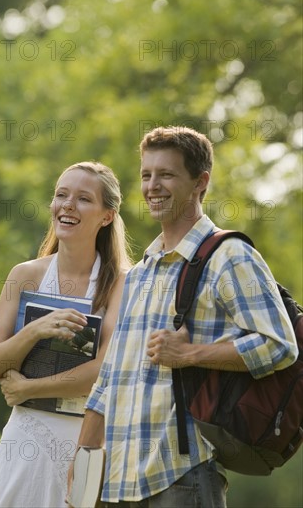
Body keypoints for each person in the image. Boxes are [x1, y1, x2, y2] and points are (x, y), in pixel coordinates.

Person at [70, 126, 299, 508]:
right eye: (146, 175)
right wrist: (83, 462)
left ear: (200, 182)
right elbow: (111, 374)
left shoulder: (229, 257)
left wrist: (190, 354)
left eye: (167, 174)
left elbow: (279, 345)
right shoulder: (142, 271)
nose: (153, 186)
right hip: (115, 481)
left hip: (181, 477)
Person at [0, 161, 132, 508]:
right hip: (24, 441)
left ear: (106, 216)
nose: (67, 205)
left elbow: (103, 374)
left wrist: (28, 388)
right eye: (61, 195)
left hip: (87, 442)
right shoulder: (25, 276)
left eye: (82, 199)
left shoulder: (123, 283)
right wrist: (35, 330)